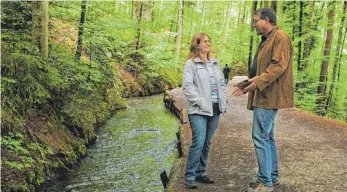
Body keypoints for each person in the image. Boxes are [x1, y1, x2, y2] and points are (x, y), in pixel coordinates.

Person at [233, 8, 294, 192]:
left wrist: (256, 83)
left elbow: (278, 66)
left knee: (260, 137)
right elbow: (261, 68)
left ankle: (265, 183)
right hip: (263, 93)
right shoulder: (267, 39)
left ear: (267, 20)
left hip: (269, 95)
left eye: (256, 20)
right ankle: (271, 177)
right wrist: (246, 84)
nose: (254, 24)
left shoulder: (280, 37)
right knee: (267, 137)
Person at [182, 33, 227, 189]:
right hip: (198, 110)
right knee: (198, 141)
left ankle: (201, 172)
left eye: (209, 41)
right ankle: (190, 176)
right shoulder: (191, 64)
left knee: (206, 143)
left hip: (215, 109)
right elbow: (187, 86)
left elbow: (221, 83)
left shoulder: (215, 63)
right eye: (205, 41)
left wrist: (224, 100)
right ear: (197, 44)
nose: (208, 44)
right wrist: (201, 102)